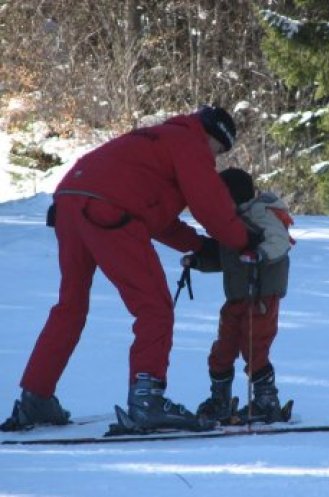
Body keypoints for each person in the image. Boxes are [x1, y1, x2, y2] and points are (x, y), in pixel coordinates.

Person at [1, 106, 263, 433]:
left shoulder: (155, 141)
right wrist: (241, 240)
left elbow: (156, 218)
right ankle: (147, 400)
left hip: (70, 203)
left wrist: (199, 246)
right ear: (213, 135)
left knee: (70, 306)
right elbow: (209, 202)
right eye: (219, 150)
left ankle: (35, 398)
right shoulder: (189, 144)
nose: (215, 158)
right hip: (105, 208)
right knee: (154, 307)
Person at [182, 168, 294, 425]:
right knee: (223, 348)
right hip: (237, 295)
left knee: (254, 345)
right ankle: (220, 399)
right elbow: (226, 257)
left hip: (262, 293)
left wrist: (260, 254)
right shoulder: (230, 220)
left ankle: (266, 400)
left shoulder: (260, 212)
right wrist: (197, 260)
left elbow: (279, 242)